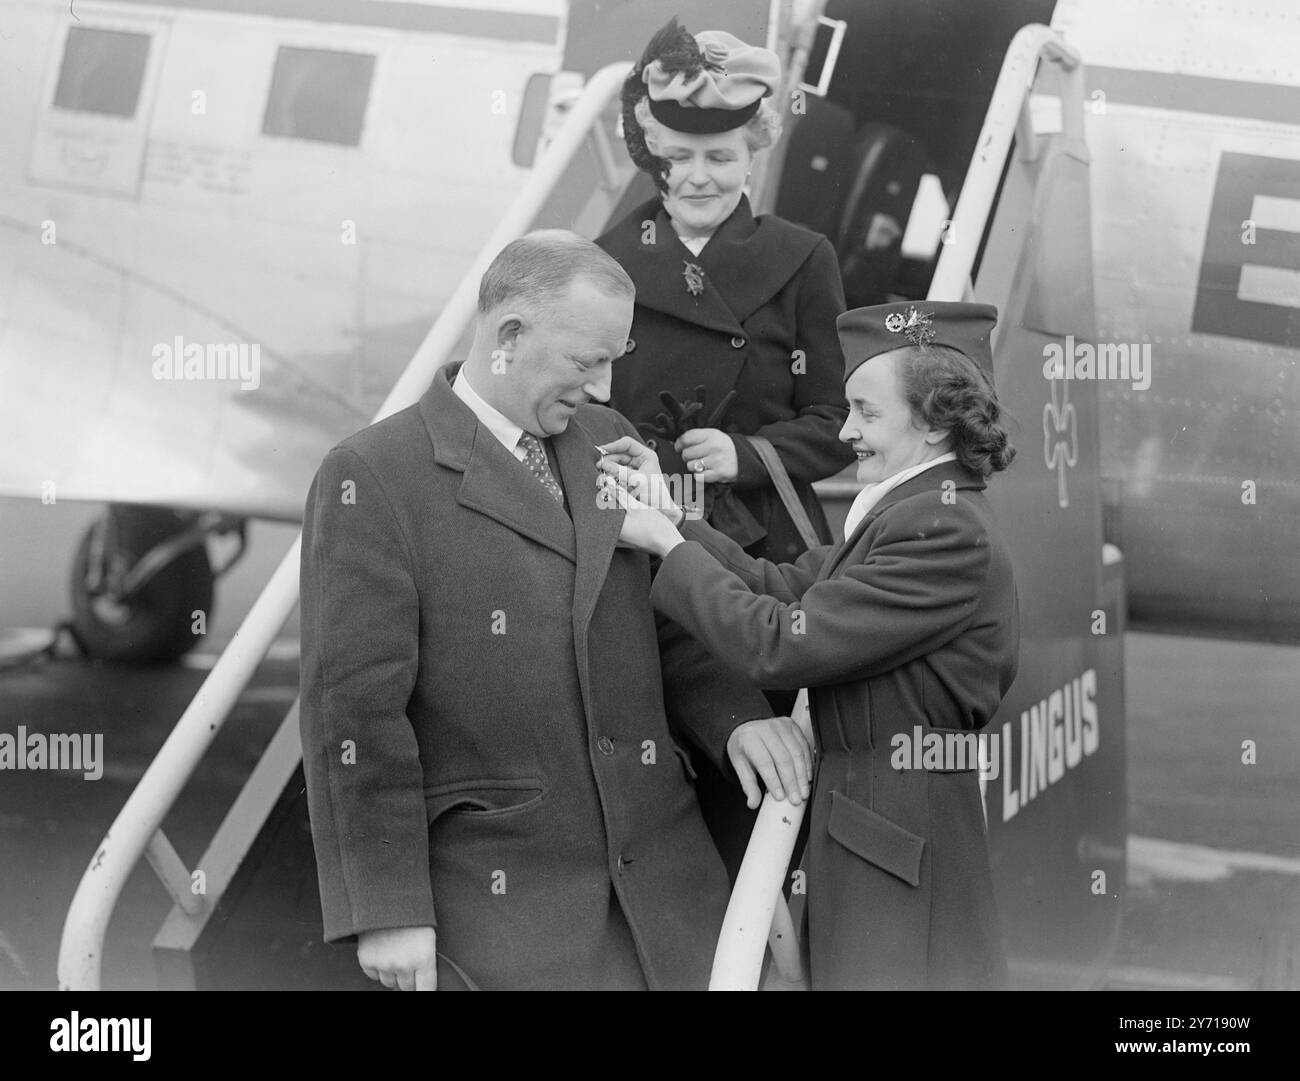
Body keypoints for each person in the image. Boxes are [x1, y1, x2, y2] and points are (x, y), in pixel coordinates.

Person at [297, 230, 813, 991]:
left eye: (614, 361)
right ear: (509, 337)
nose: (604, 389)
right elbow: (355, 712)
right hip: (509, 907)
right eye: (586, 361)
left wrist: (736, 718)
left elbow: (662, 621)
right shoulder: (371, 476)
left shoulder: (608, 440)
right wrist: (386, 907)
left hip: (667, 889)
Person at [601, 300, 1020, 990]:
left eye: (867, 412)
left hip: (895, 835)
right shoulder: (917, 509)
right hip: (878, 825)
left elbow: (780, 642)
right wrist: (674, 511)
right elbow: (785, 585)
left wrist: (664, 543)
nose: (847, 431)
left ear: (938, 418)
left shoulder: (941, 530)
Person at [596, 17, 855, 876]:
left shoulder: (802, 258)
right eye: (678, 157)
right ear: (651, 155)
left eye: (722, 157)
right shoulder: (606, 262)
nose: (699, 176)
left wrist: (746, 454)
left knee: (761, 782)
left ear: (755, 154)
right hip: (641, 534)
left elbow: (834, 423)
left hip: (758, 553)